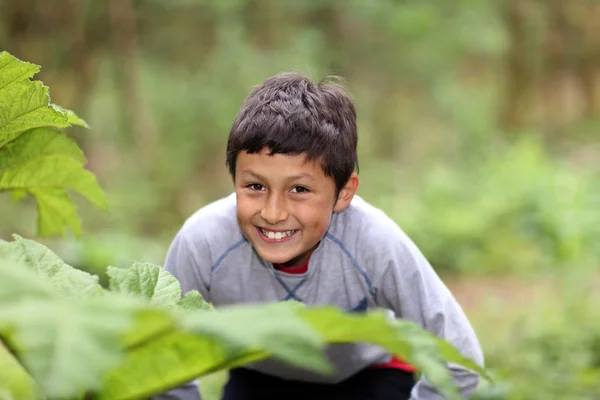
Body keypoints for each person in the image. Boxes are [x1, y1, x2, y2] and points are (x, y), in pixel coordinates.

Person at [154, 72, 484, 400]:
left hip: (367, 375)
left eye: (299, 189)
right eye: (255, 186)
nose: (273, 212)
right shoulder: (204, 240)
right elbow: (162, 355)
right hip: (260, 373)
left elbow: (460, 358)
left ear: (343, 193)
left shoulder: (374, 242)